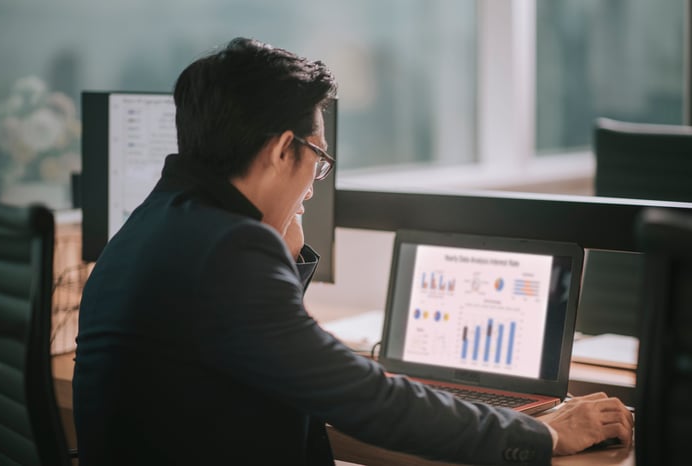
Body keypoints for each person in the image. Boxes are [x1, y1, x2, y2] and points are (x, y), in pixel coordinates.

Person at [72, 37, 633, 466]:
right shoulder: (227, 247)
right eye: (319, 155)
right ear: (281, 150)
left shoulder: (153, 223)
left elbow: (261, 355)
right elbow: (367, 401)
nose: (316, 181)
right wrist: (547, 431)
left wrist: (285, 258)